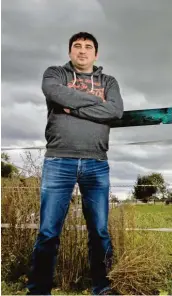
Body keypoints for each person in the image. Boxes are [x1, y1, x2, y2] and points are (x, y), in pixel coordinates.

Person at [26, 32, 124, 295]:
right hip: (59, 160)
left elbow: (115, 111)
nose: (82, 51)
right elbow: (54, 93)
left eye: (88, 47)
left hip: (96, 163)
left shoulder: (108, 80)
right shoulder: (55, 74)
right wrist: (96, 104)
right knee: (48, 231)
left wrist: (73, 106)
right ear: (70, 51)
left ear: (96, 54)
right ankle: (38, 290)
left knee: (100, 231)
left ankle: (102, 287)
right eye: (77, 46)